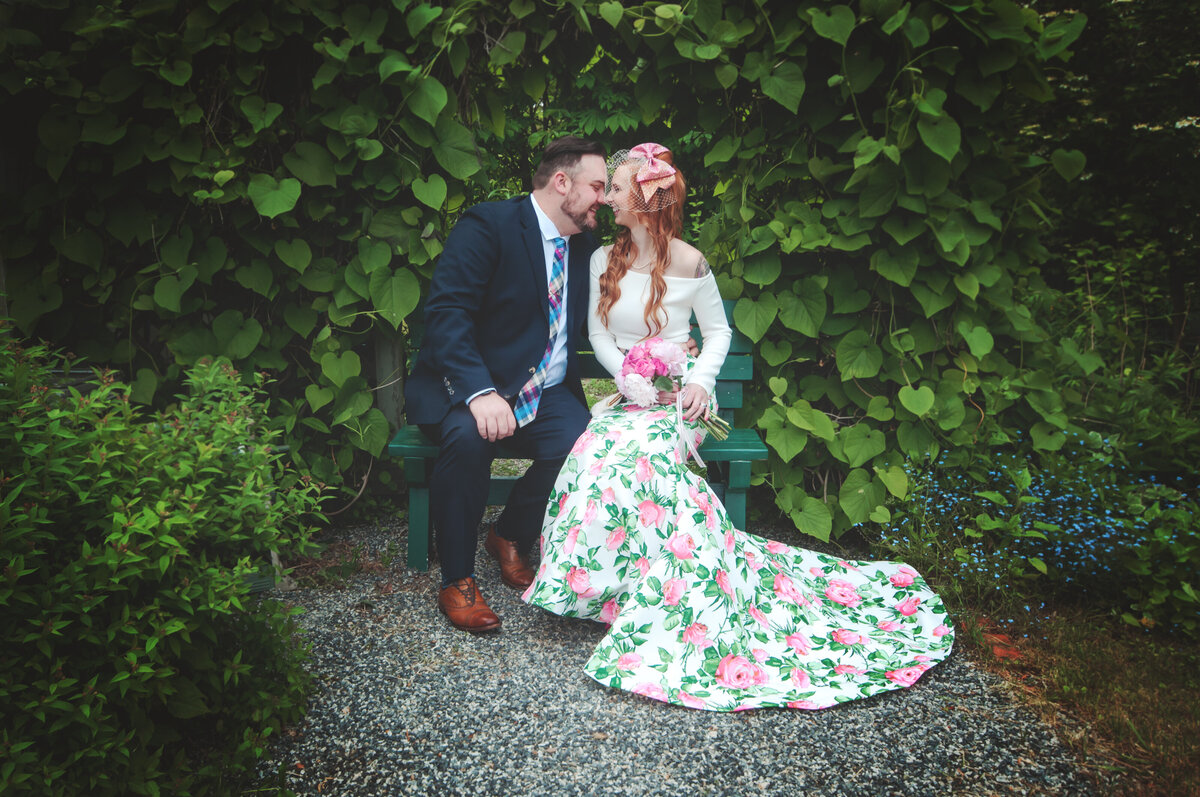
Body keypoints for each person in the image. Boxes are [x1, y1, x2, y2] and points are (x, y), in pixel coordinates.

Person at [522, 143, 954, 711]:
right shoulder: (604, 259)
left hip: (682, 403)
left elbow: (719, 333)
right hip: (630, 395)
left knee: (642, 463)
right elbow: (599, 334)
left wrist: (699, 381)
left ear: (647, 204)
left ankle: (677, 590)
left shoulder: (692, 263)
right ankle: (606, 591)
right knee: (592, 453)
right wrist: (626, 379)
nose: (608, 197)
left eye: (619, 188)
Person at [404, 136, 608, 632]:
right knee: (467, 438)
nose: (604, 198)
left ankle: (510, 532)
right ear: (563, 183)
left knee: (587, 441)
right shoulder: (489, 225)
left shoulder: (585, 247)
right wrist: (479, 391)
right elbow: (448, 312)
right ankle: (457, 578)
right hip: (472, 388)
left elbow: (609, 314)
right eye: (598, 186)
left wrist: (663, 341)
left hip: (547, 394)